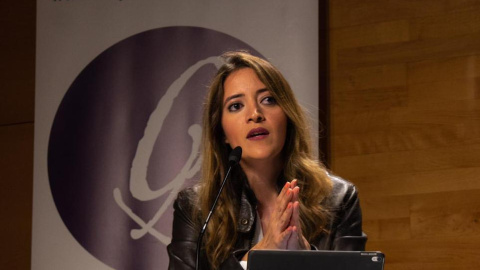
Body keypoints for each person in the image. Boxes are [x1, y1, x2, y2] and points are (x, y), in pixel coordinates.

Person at [167, 51, 366, 270]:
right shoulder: (196, 208)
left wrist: (305, 258)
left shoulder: (337, 199)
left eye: (268, 100)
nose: (255, 114)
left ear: (287, 115)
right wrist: (260, 254)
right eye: (236, 106)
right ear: (221, 131)